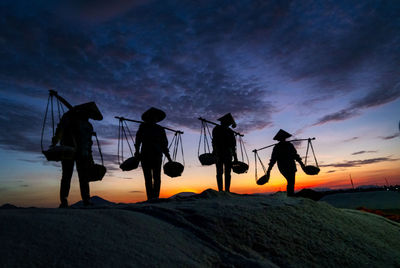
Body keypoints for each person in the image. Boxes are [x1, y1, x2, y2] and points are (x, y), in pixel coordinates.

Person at [52, 101, 103, 208]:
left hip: (83, 153)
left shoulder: (88, 125)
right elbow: (60, 129)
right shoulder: (69, 118)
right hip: (69, 151)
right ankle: (64, 201)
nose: (90, 116)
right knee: (67, 175)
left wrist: (90, 157)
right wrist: (55, 140)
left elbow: (88, 143)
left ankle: (86, 200)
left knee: (83, 177)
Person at [135, 107, 172, 200]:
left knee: (157, 178)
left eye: (155, 118)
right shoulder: (143, 127)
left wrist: (169, 158)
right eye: (151, 117)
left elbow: (164, 145)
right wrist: (136, 151)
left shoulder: (160, 129)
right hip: (145, 155)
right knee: (148, 178)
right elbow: (138, 140)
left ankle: (155, 197)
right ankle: (150, 198)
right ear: (148, 118)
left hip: (157, 156)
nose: (153, 119)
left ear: (157, 119)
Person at [266, 129, 304, 196]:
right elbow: (273, 159)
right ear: (279, 139)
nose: (283, 139)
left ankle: (290, 194)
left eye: (283, 138)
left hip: (290, 166)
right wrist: (269, 170)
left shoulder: (289, 145)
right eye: (281, 138)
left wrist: (302, 164)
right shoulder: (277, 147)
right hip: (283, 166)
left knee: (291, 181)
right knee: (291, 181)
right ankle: (290, 195)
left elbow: (295, 155)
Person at [212, 113, 238, 192]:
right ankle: (220, 190)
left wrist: (235, 157)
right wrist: (215, 152)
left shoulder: (230, 132)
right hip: (219, 153)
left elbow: (233, 145)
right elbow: (214, 142)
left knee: (227, 172)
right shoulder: (217, 129)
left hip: (228, 154)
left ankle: (227, 190)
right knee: (219, 172)